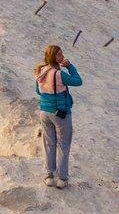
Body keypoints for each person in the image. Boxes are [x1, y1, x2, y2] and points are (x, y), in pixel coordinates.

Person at [35, 44, 83, 188]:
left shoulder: (40, 71)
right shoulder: (59, 74)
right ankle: (62, 178)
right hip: (60, 112)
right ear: (54, 57)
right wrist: (69, 66)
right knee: (63, 144)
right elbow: (78, 81)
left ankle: (49, 175)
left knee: (49, 144)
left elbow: (38, 91)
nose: (62, 57)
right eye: (59, 55)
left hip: (44, 112)